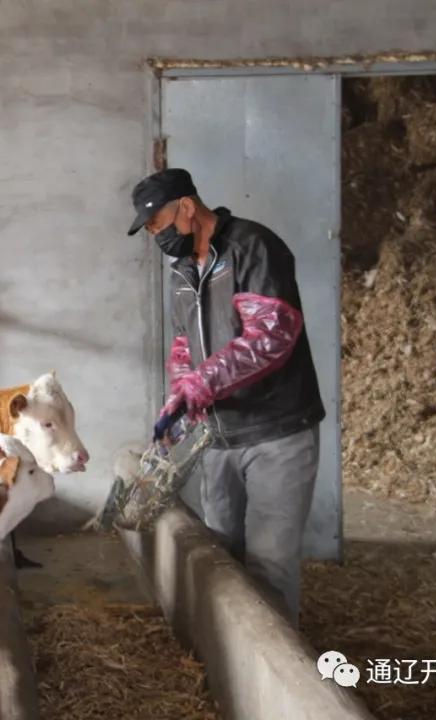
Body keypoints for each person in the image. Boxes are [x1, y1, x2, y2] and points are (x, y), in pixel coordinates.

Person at [127, 167, 325, 625]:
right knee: (222, 558)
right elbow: (183, 345)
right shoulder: (182, 272)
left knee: (269, 564)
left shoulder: (252, 247)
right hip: (216, 437)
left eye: (156, 224)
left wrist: (201, 385)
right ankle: (226, 658)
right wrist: (180, 394)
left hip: (275, 431)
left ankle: (279, 665)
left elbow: (271, 335)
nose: (155, 236)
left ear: (187, 207)